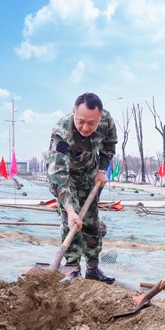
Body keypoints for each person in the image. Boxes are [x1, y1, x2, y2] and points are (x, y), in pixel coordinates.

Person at [47, 92, 118, 284]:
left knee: (91, 222)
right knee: (72, 223)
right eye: (81, 122)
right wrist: (70, 210)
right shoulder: (62, 133)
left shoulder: (106, 121)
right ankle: (72, 270)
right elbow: (59, 173)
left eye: (91, 123)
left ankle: (93, 269)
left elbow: (109, 146)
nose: (85, 127)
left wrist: (102, 169)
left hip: (90, 175)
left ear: (100, 117)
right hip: (66, 179)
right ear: (73, 113)